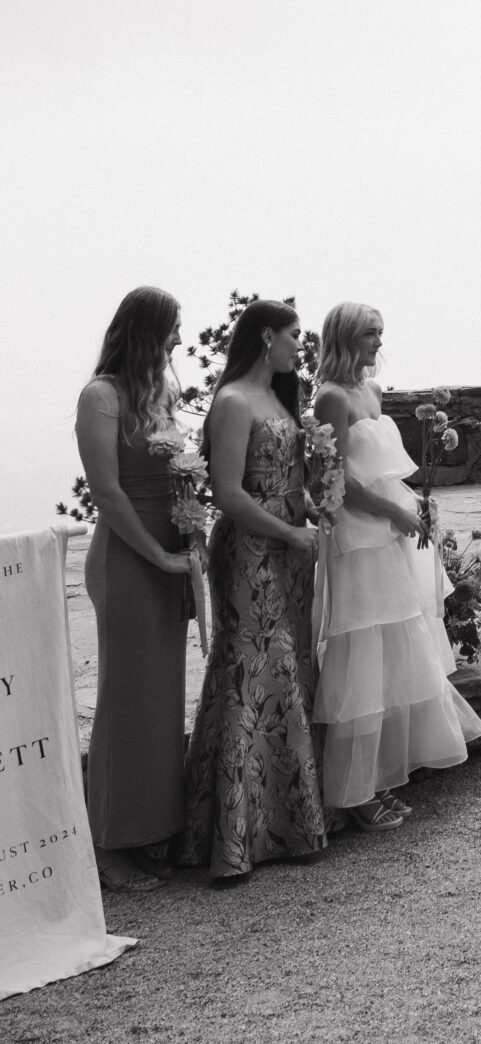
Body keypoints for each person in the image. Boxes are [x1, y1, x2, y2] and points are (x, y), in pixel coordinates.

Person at [310, 303, 481, 829]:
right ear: (344, 338)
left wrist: (414, 507)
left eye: (381, 333)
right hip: (358, 536)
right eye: (369, 334)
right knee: (361, 654)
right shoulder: (330, 398)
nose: (378, 343)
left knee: (393, 652)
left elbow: (385, 473)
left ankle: (381, 776)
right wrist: (393, 513)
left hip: (391, 531)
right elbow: (334, 481)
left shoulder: (374, 393)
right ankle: (353, 790)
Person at [176, 301, 329, 881]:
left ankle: (286, 820)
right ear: (266, 336)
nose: (300, 345)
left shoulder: (281, 396)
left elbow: (285, 476)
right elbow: (229, 494)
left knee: (288, 670)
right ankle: (234, 839)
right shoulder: (235, 400)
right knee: (253, 672)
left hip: (291, 553)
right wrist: (290, 530)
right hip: (251, 553)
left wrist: (311, 506)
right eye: (293, 335)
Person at [74, 287, 197, 893]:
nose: (179, 339)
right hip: (127, 560)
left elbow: (179, 474)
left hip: (171, 554)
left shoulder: (162, 396)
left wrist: (192, 541)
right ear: (147, 331)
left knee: (162, 702)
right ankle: (108, 845)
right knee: (125, 703)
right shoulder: (100, 397)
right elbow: (108, 493)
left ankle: (149, 830)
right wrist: (159, 557)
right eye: (173, 329)